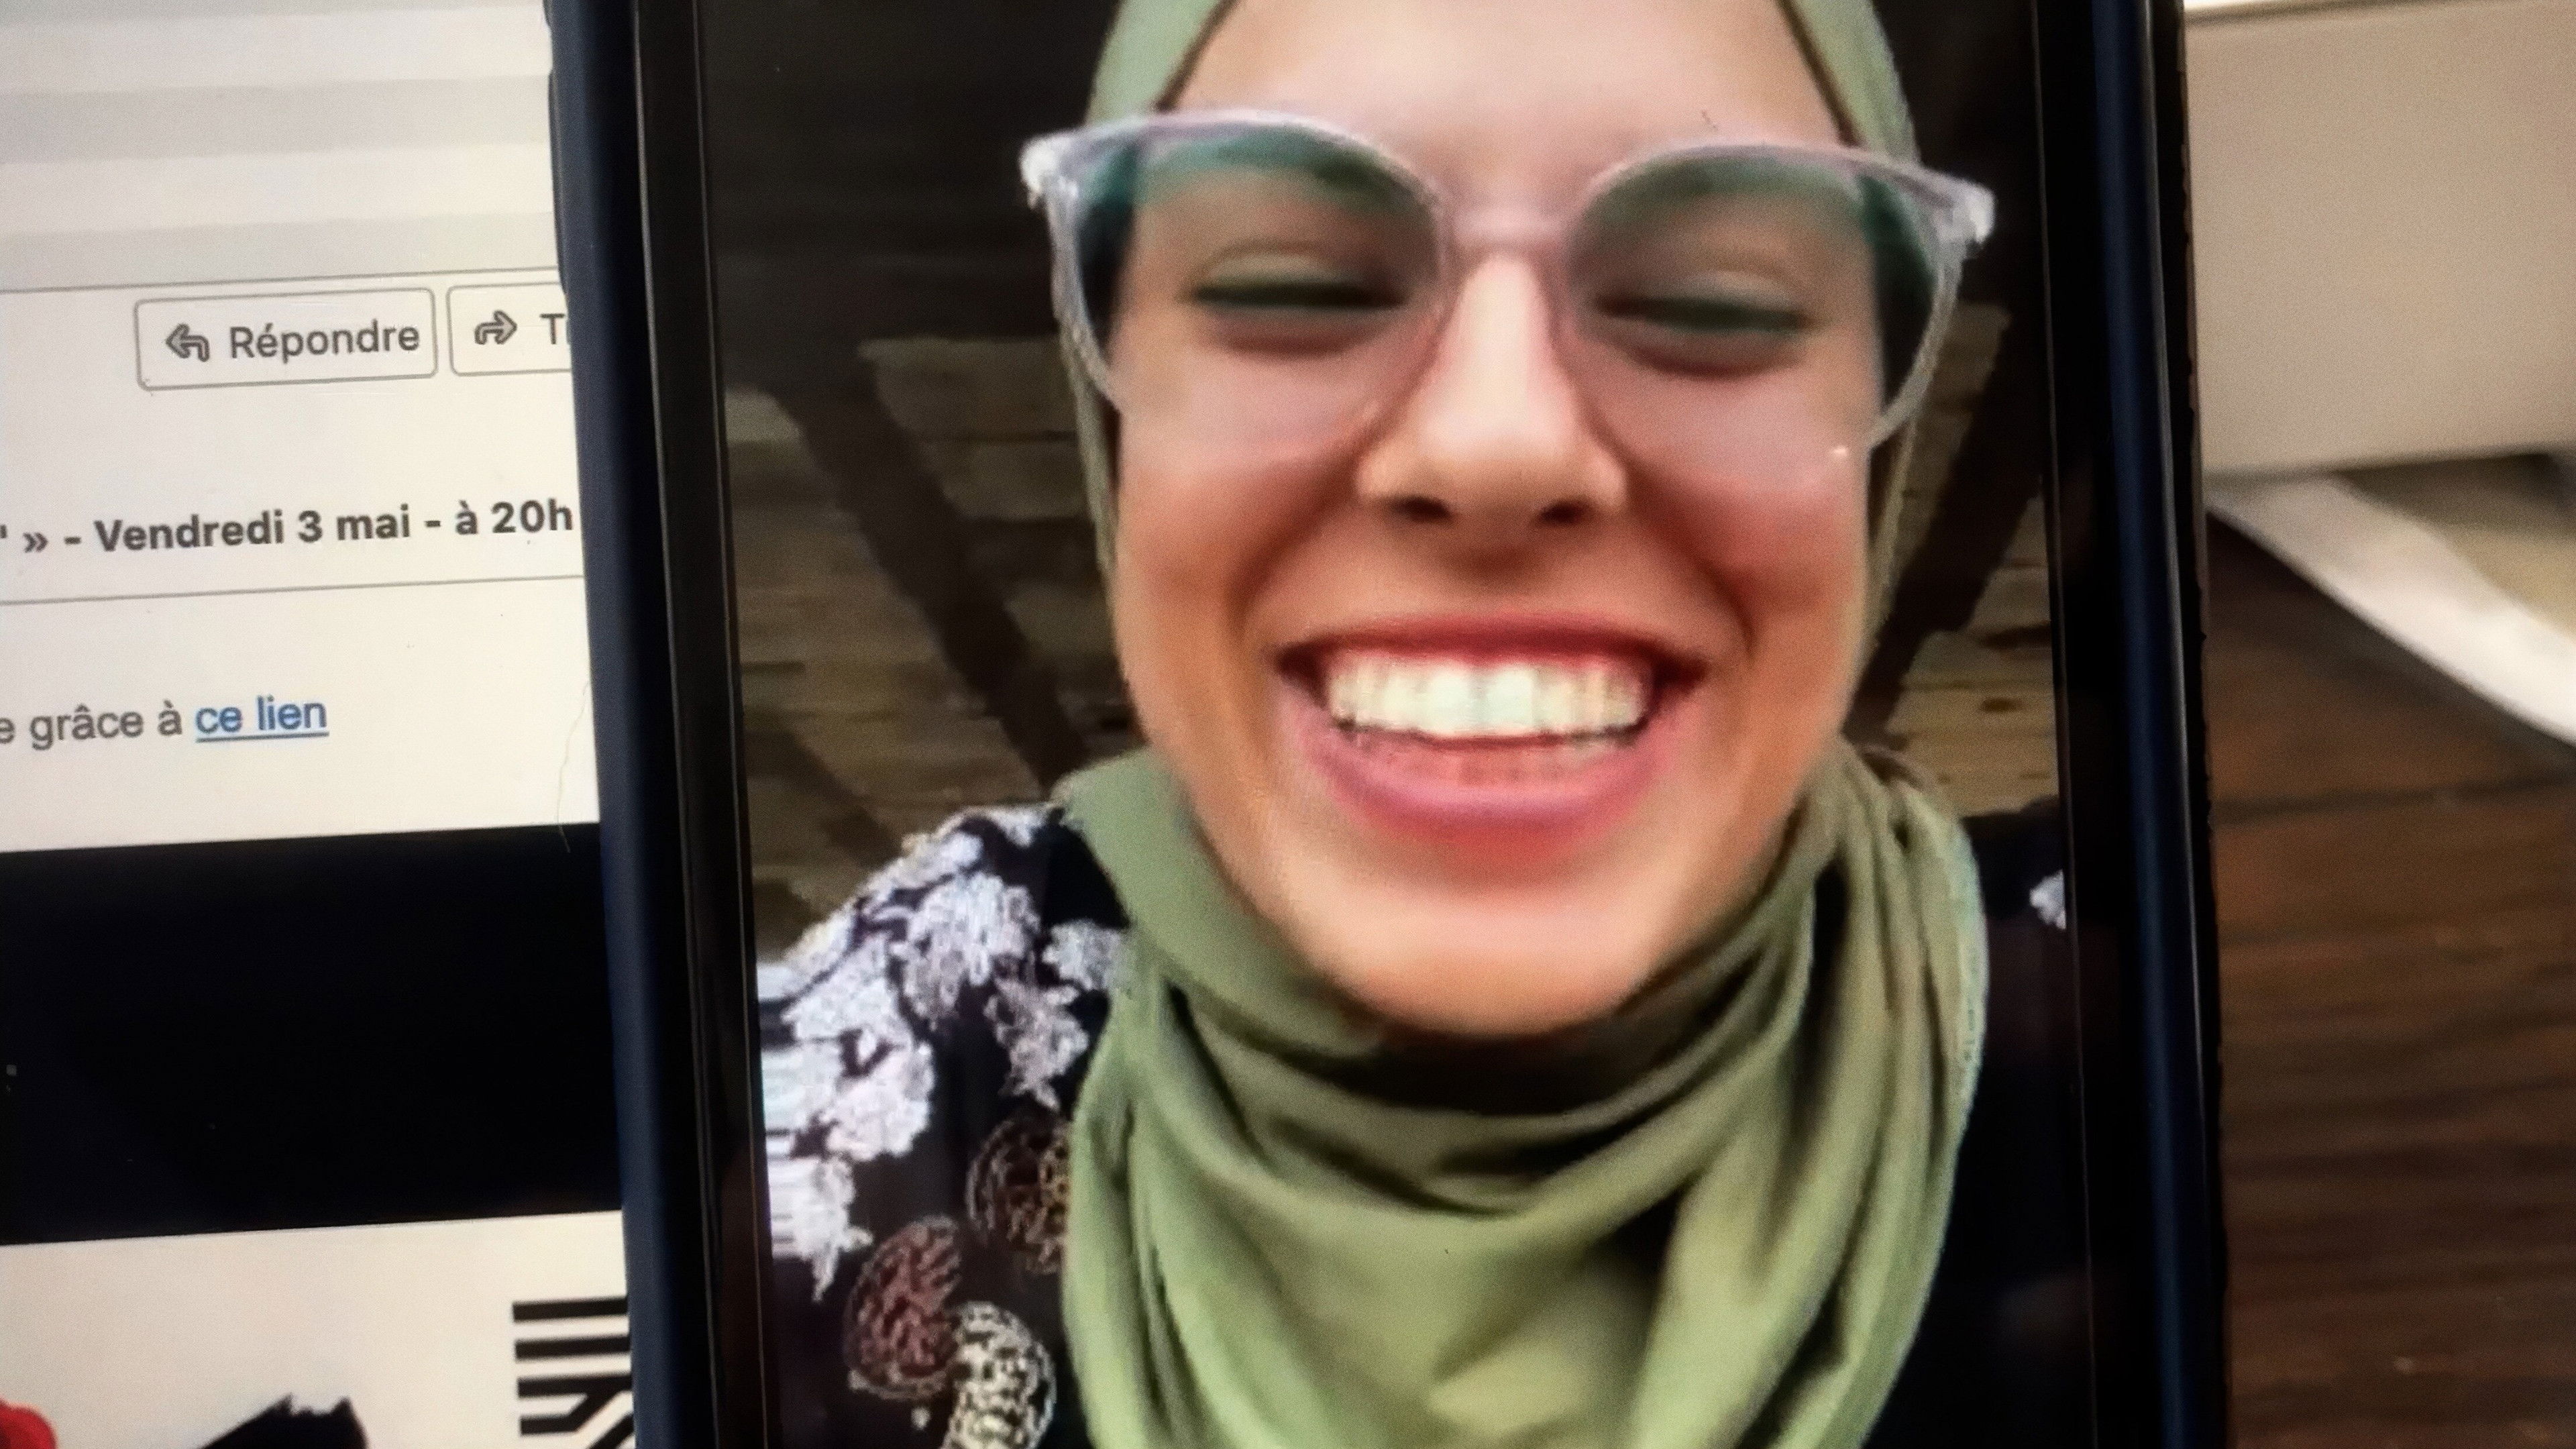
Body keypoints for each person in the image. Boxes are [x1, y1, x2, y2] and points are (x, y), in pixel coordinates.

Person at [757, 0, 2081, 1445]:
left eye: (1716, 306)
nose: (1496, 440)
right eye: (1292, 289)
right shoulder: (906, 1056)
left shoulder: (2134, 1029)